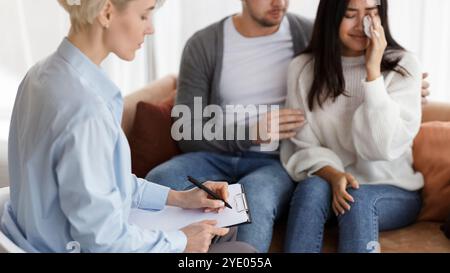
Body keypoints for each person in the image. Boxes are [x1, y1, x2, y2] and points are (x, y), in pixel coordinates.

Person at [0, 0, 256, 253]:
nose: (151, 28)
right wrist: (181, 241)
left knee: (224, 227)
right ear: (107, 12)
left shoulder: (40, 74)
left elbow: (103, 184)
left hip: (35, 236)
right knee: (244, 252)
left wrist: (181, 198)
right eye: (144, 16)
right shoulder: (86, 112)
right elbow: (103, 240)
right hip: (81, 245)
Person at [146, 0, 312, 253]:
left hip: (276, 161)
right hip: (212, 157)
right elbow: (186, 130)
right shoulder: (203, 44)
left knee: (252, 199)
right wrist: (250, 134)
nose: (279, 3)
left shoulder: (309, 36)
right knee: (160, 181)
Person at [281, 0, 424, 253]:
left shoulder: (403, 65)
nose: (362, 25)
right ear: (331, 17)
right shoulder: (302, 69)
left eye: (371, 13)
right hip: (329, 184)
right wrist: (335, 176)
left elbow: (382, 148)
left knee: (356, 200)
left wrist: (373, 73)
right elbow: (303, 146)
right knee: (310, 189)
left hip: (393, 188)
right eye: (350, 14)